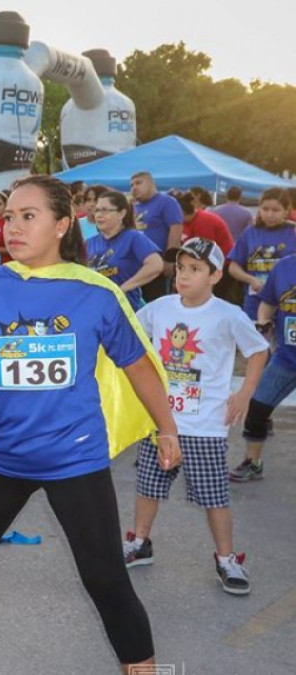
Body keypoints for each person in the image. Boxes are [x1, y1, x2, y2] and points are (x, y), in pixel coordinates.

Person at [0, 174, 175, 674]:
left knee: (105, 577)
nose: (12, 227)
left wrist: (166, 427)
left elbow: (137, 364)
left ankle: (144, 670)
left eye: (28, 216)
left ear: (62, 225)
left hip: (75, 457)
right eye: (9, 216)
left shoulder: (95, 292)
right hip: (1, 454)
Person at [126, 237, 267, 596]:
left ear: (216, 275)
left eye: (195, 269)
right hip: (160, 421)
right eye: (182, 268)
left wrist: (244, 394)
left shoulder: (228, 314)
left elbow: (258, 350)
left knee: (214, 496)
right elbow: (130, 337)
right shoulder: (159, 308)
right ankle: (140, 542)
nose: (184, 276)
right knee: (148, 487)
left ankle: (226, 557)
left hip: (205, 426)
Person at [231, 254, 296, 483]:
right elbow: (268, 301)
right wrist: (263, 321)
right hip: (287, 359)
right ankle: (253, 463)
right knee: (257, 409)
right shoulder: (285, 266)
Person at [86, 190, 164, 310]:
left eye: (105, 210)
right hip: (96, 311)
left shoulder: (133, 237)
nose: (99, 215)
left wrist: (123, 289)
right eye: (97, 210)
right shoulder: (89, 243)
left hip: (125, 310)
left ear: (121, 213)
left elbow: (156, 264)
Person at [226, 187, 296, 320]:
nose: (269, 214)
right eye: (265, 209)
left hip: (287, 306)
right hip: (254, 303)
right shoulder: (250, 233)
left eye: (275, 210)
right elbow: (233, 267)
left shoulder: (293, 232)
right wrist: (251, 279)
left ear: (286, 211)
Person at [130, 171, 183, 302]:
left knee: (156, 301)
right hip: (136, 266)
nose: (134, 187)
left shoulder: (166, 202)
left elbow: (176, 229)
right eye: (131, 185)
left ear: (152, 184)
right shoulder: (134, 207)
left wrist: (170, 259)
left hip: (159, 265)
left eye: (138, 183)